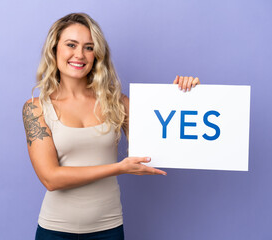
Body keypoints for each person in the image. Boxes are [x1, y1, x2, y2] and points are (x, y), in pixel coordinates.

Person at [22, 12, 200, 240]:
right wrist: (118, 168)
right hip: (55, 231)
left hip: (108, 230)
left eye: (89, 47)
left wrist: (185, 95)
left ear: (97, 54)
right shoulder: (36, 109)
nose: (80, 54)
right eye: (71, 45)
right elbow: (51, 178)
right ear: (54, 49)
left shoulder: (117, 103)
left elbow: (167, 134)